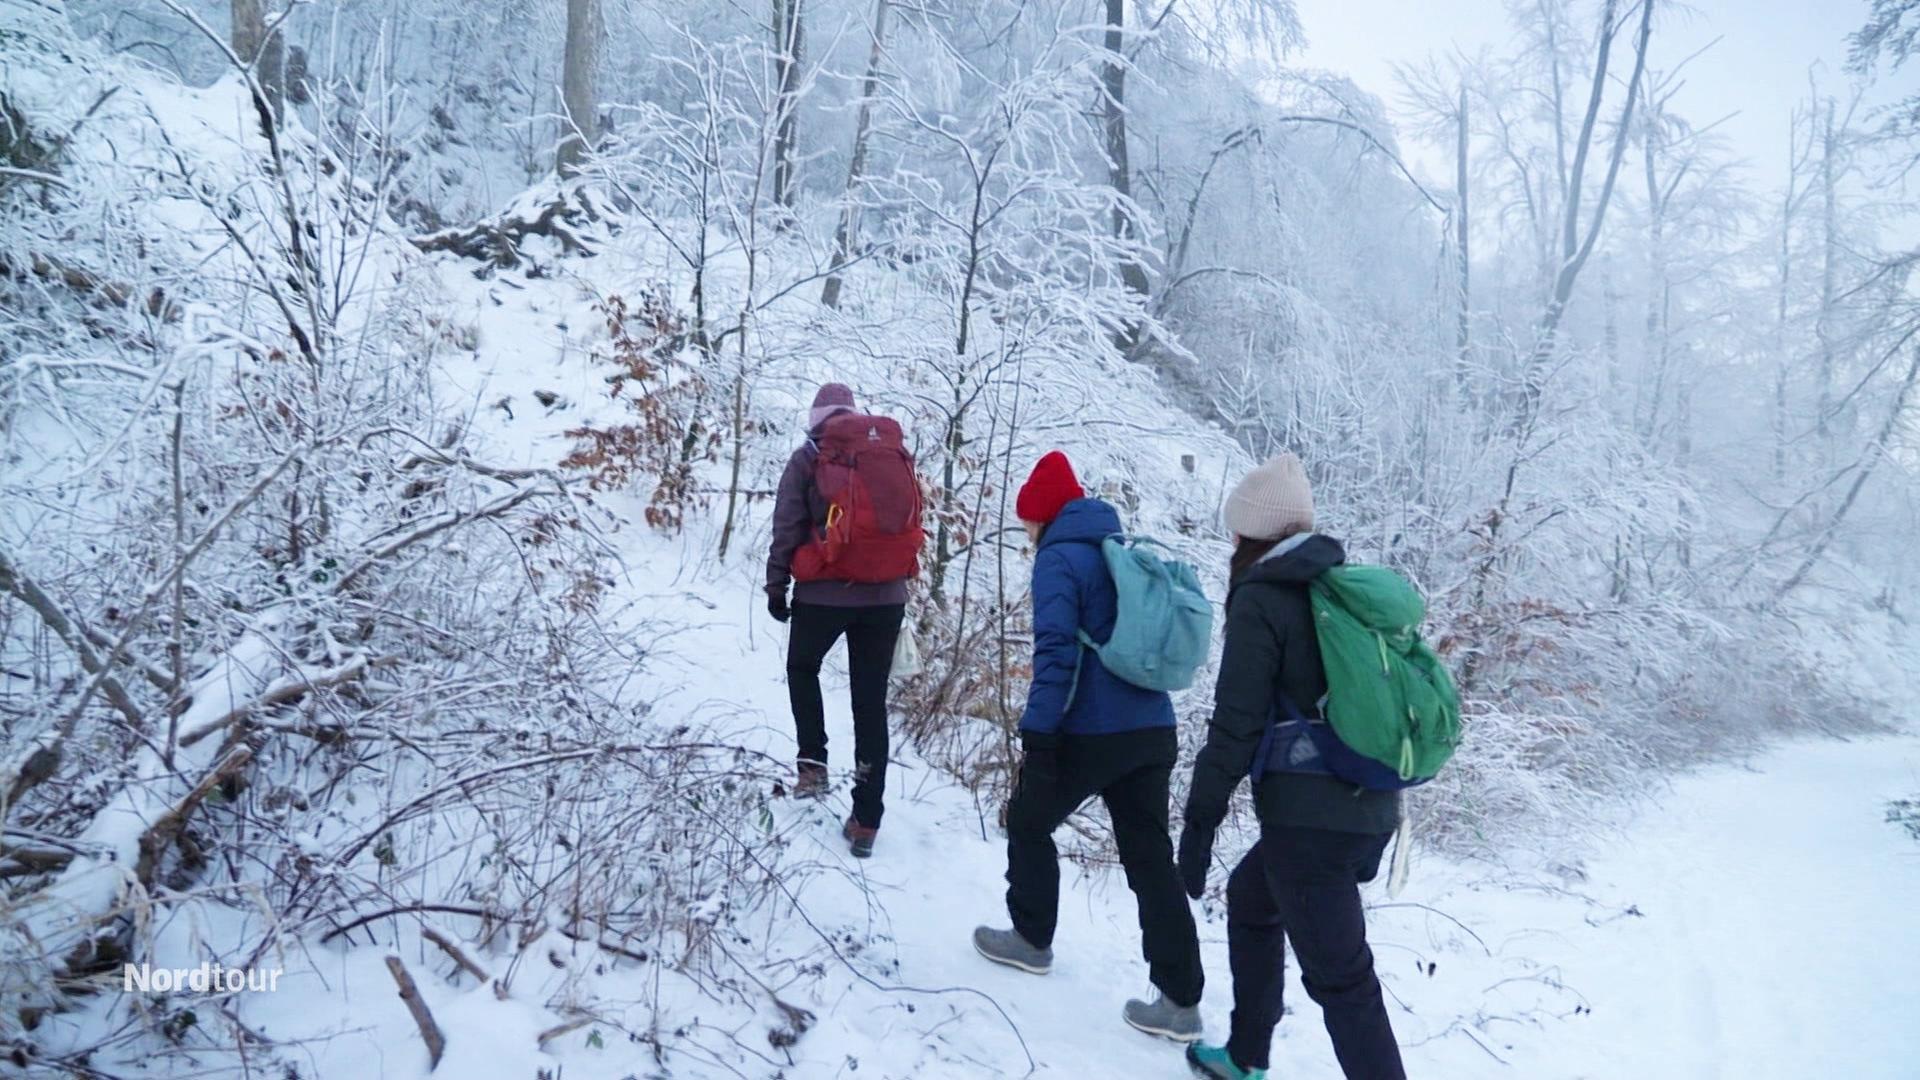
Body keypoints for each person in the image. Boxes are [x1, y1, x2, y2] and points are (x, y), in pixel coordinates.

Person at [1176, 453, 1406, 1080]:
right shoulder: (1338, 590)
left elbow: (1236, 725)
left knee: (1344, 982)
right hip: (1369, 802)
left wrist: (1199, 823)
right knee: (1252, 898)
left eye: (1237, 530)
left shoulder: (1264, 598)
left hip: (1311, 825)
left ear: (1251, 533)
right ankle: (1246, 1055)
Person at [972, 451, 1206, 1041]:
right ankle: (1181, 1002)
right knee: (1150, 858)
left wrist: (1039, 731)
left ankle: (1031, 939)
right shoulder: (1117, 549)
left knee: (1027, 821)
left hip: (1092, 730)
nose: (1026, 531)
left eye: (1027, 520)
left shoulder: (1058, 560)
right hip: (1152, 728)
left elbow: (1056, 652)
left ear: (1042, 516)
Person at [766, 383, 907, 858]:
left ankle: (812, 768)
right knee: (870, 703)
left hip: (823, 594)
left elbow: (787, 524)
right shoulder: (886, 453)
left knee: (802, 669)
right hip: (886, 597)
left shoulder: (809, 456)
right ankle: (866, 820)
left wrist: (776, 584)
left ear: (816, 418)